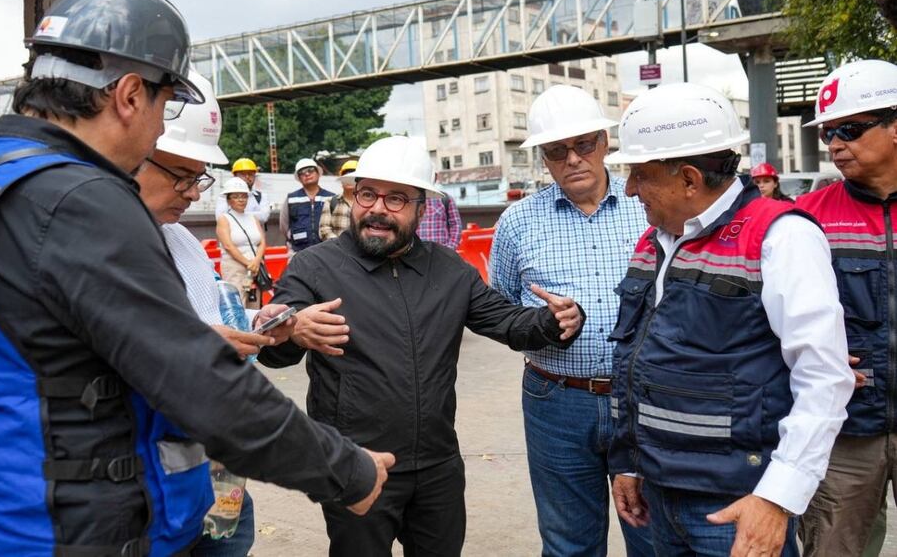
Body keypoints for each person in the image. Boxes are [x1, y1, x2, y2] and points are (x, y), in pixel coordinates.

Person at [0, 0, 392, 556]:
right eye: (164, 105)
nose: (160, 127)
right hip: (69, 534)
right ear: (131, 94)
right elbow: (203, 385)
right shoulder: (78, 198)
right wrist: (346, 472)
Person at [258, 135, 586, 557]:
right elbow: (274, 346)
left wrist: (557, 319)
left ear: (421, 208)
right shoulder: (314, 266)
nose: (377, 207)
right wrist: (290, 329)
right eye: (367, 194)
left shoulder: (449, 270)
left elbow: (508, 322)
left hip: (437, 467)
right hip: (354, 464)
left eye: (396, 198)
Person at [605, 82, 853, 557]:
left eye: (640, 173)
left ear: (690, 179)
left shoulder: (780, 238)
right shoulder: (654, 242)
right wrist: (629, 462)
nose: (631, 188)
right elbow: (633, 362)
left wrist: (777, 498)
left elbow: (824, 378)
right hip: (659, 495)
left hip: (738, 506)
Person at [488, 85, 651, 557]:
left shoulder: (649, 206)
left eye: (583, 145)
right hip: (555, 400)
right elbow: (501, 313)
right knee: (567, 545)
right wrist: (541, 321)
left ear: (604, 142)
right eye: (558, 151)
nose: (573, 159)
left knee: (654, 537)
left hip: (643, 397)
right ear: (543, 158)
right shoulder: (517, 223)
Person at [135, 70, 289, 557]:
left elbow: (225, 329)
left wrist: (265, 329)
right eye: (182, 175)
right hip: (154, 486)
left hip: (216, 469)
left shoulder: (181, 242)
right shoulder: (102, 249)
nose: (194, 191)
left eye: (200, 177)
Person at [793, 59, 897, 556]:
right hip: (843, 432)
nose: (835, 144)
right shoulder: (805, 219)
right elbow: (767, 318)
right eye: (828, 133)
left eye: (850, 130)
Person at [217, 177, 266, 308]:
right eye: (236, 196)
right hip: (235, 267)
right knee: (238, 304)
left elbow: (262, 242)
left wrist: (256, 261)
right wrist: (248, 263)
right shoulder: (224, 219)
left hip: (254, 268)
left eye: (244, 196)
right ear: (228, 199)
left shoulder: (252, 217)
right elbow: (228, 245)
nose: (241, 199)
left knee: (254, 304)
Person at [279, 157, 334, 252]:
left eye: (310, 170)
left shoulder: (330, 197)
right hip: (298, 251)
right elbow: (283, 226)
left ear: (318, 173)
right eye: (302, 172)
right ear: (299, 178)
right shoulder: (291, 198)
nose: (307, 174)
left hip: (326, 250)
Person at [215, 157, 270, 224]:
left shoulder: (261, 196)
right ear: (235, 176)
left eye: (250, 174)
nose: (247, 177)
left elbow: (263, 217)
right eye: (243, 174)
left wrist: (235, 214)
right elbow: (220, 218)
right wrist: (253, 215)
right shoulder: (225, 195)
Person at [320, 159, 357, 240]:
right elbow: (324, 230)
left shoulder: (367, 204)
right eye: (346, 175)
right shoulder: (331, 202)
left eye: (353, 175)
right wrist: (340, 245)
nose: (349, 179)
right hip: (336, 250)